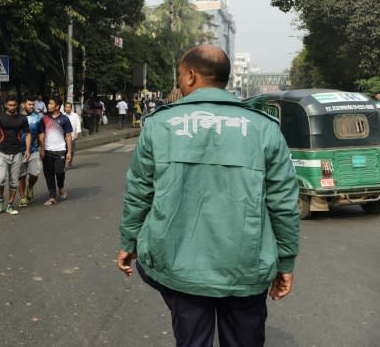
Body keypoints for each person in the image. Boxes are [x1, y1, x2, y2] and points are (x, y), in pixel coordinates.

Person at [117, 45, 300, 347]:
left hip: (180, 267)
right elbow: (283, 204)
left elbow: (139, 193)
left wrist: (128, 242)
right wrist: (286, 263)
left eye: (179, 76)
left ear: (190, 76)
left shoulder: (159, 125)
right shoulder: (264, 128)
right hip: (245, 268)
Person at [0, 95, 30, 215]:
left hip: (17, 153)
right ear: (5, 105)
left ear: (17, 105)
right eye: (10, 105)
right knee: (0, 179)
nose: (12, 107)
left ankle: (10, 204)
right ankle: (1, 200)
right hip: (2, 152)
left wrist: (27, 149)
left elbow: (27, 134)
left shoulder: (22, 118)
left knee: (14, 181)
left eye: (14, 105)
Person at [38, 96, 73, 205]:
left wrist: (69, 152)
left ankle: (61, 187)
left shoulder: (64, 119)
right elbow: (41, 135)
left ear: (57, 106)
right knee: (48, 174)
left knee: (59, 171)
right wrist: (42, 148)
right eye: (48, 103)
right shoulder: (44, 118)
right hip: (47, 151)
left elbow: (68, 136)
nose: (48, 105)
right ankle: (52, 196)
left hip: (60, 150)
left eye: (51, 103)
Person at [18, 96, 42, 207]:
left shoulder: (37, 117)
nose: (32, 106)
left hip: (33, 150)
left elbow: (41, 133)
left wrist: (43, 148)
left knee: (35, 174)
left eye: (33, 104)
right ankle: (23, 197)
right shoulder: (16, 117)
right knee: (21, 176)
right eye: (29, 104)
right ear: (23, 105)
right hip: (18, 151)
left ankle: (30, 187)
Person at [63, 102, 82, 168]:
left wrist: (77, 133)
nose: (67, 108)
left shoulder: (75, 115)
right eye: (66, 107)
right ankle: (63, 164)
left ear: (71, 108)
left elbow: (78, 124)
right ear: (64, 108)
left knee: (72, 151)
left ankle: (70, 162)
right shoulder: (62, 116)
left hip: (72, 137)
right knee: (63, 151)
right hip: (63, 138)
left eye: (69, 107)